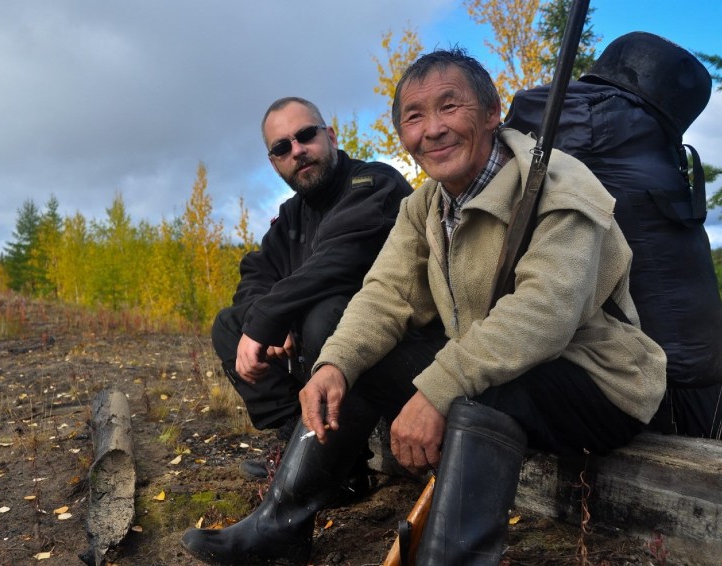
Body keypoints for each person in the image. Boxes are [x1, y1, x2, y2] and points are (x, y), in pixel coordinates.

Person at [181, 50, 666, 565]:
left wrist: (435, 391)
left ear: (491, 112)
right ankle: (282, 525)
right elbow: (386, 295)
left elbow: (543, 316)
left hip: (597, 380)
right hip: (498, 368)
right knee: (368, 357)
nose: (432, 130)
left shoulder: (558, 186)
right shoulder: (424, 205)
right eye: (414, 117)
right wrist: (333, 366)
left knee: (485, 390)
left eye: (449, 107)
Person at [209, 97, 446, 488]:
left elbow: (341, 260)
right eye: (282, 147)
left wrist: (274, 315)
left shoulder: (374, 183)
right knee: (231, 325)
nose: (297, 151)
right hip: (331, 360)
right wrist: (267, 318)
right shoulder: (291, 215)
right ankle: (302, 445)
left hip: (401, 350)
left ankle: (328, 465)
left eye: (305, 136)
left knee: (327, 313)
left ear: (330, 136)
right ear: (274, 162)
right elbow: (257, 273)